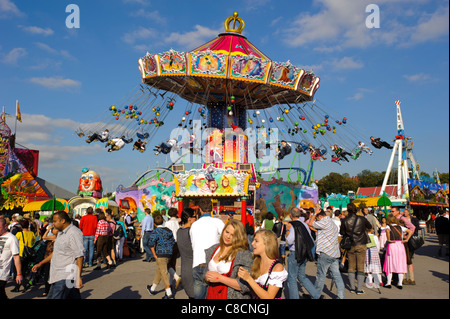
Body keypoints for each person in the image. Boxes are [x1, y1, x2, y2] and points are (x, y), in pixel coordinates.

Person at [33, 211, 84, 299]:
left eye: (55, 221)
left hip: (65, 275)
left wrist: (78, 276)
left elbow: (79, 255)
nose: (53, 224)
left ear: (63, 221)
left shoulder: (74, 233)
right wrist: (40, 263)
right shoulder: (60, 233)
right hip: (57, 275)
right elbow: (56, 252)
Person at [203, 219, 253, 299]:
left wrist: (220, 278)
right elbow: (205, 275)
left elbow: (245, 285)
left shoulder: (243, 254)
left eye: (233, 235)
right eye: (227, 232)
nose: (228, 236)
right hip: (211, 294)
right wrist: (206, 277)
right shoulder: (213, 249)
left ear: (239, 237)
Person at [190, 198, 225, 299]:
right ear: (211, 209)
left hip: (197, 263)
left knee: (198, 297)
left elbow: (193, 244)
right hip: (213, 264)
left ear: (199, 209)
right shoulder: (218, 222)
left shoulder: (194, 225)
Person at [237, 229, 288, 299]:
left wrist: (249, 279)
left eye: (256, 241)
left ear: (267, 243)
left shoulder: (277, 267)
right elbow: (256, 291)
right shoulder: (256, 262)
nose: (252, 243)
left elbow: (269, 297)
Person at [309, 205, 345, 299]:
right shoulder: (332, 223)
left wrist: (314, 213)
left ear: (320, 216)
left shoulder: (324, 222)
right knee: (337, 276)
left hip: (325, 252)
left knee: (320, 276)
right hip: (334, 253)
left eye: (317, 218)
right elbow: (318, 230)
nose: (317, 220)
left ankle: (315, 296)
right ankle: (341, 296)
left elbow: (310, 223)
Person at [285, 207, 319, 299]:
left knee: (292, 278)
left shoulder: (292, 225)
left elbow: (290, 241)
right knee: (302, 276)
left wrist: (287, 231)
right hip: (304, 253)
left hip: (295, 253)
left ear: (291, 215)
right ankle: (316, 295)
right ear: (299, 215)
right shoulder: (304, 224)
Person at [340, 202, 373, 295]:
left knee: (351, 267)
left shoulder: (345, 221)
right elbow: (370, 227)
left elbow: (342, 232)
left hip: (351, 244)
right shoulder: (362, 219)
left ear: (348, 210)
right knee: (360, 267)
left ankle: (352, 287)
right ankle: (359, 288)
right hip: (361, 243)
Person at [146, 214, 176, 299]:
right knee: (160, 271)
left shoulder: (155, 232)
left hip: (160, 254)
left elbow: (151, 244)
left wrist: (154, 254)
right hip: (169, 253)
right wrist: (169, 249)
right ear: (163, 222)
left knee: (164, 273)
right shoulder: (168, 231)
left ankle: (169, 293)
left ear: (154, 224)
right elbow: (173, 242)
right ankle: (152, 288)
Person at [383, 214, 413, 289]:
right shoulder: (400, 227)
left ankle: (388, 282)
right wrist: (406, 239)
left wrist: (389, 239)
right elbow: (410, 231)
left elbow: (387, 231)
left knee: (390, 264)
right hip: (400, 245)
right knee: (400, 263)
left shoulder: (388, 226)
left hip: (392, 245)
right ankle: (400, 283)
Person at [0, 217, 22, 300]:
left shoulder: (12, 238)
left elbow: (16, 257)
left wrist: (19, 274)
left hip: (2, 272)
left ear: (5, 226)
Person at [176, 208, 196, 299]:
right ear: (189, 219)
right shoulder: (191, 232)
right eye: (195, 217)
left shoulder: (179, 231)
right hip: (194, 268)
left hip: (184, 269)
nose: (196, 219)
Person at [12, 219, 35, 292]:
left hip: (21, 254)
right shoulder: (31, 233)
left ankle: (21, 285)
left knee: (18, 271)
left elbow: (14, 241)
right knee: (24, 270)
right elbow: (33, 241)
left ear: (21, 226)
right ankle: (21, 285)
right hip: (28, 254)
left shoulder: (19, 234)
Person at [165, 207, 181, 289]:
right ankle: (171, 282)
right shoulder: (177, 222)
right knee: (173, 263)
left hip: (169, 244)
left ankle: (176, 277)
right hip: (177, 244)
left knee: (167, 264)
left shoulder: (167, 223)